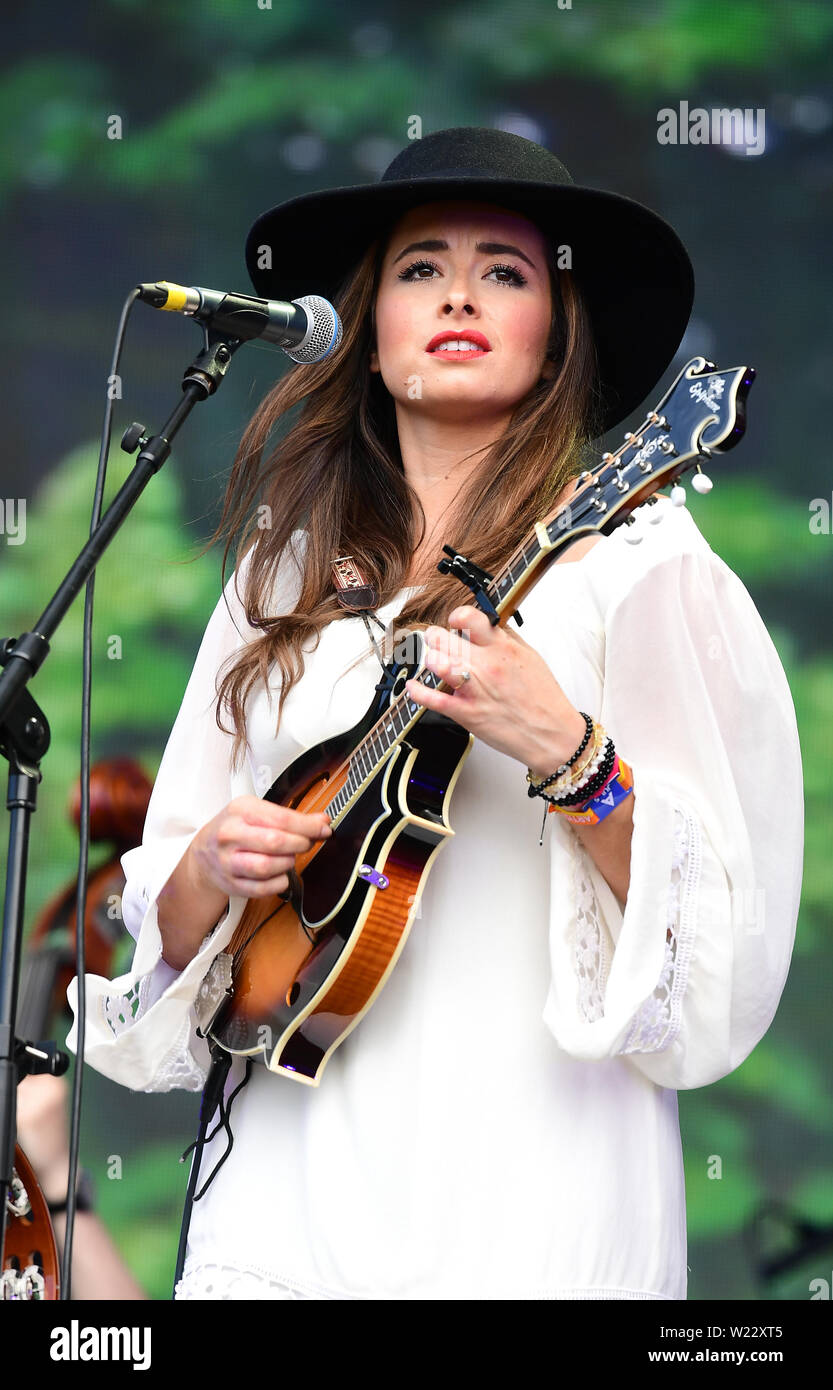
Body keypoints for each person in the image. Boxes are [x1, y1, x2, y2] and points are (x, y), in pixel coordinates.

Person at [66, 126, 804, 1300]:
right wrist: (213, 861)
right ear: (365, 331)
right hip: (277, 1204)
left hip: (531, 1208)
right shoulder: (277, 574)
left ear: (558, 328)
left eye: (503, 271)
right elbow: (160, 895)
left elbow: (717, 937)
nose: (457, 292)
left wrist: (568, 753)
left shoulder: (639, 560)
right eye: (419, 268)